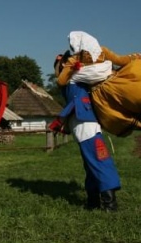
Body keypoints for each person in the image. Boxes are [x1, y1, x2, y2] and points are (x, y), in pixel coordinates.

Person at [57, 31, 141, 136]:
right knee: (135, 95)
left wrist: (71, 69)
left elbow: (61, 82)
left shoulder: (73, 60)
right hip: (114, 83)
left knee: (113, 116)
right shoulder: (102, 51)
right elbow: (120, 60)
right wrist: (134, 57)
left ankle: (137, 125)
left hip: (99, 95)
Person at [50, 53, 120, 211]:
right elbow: (102, 70)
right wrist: (109, 60)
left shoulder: (69, 79)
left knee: (91, 163)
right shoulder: (75, 76)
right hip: (85, 124)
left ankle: (93, 202)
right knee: (101, 161)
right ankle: (110, 204)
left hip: (82, 123)